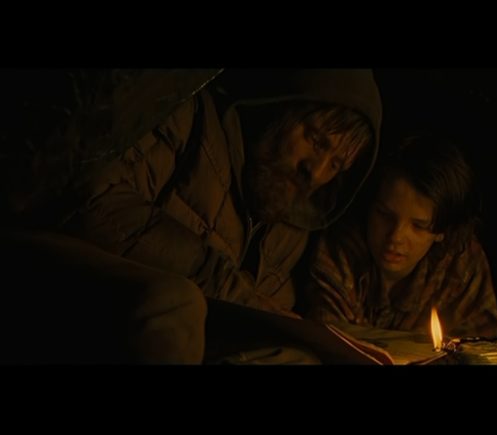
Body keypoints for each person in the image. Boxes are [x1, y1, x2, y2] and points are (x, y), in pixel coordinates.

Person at [0, 69, 382, 363]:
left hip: (206, 338)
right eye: (315, 140)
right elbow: (94, 203)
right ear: (281, 106)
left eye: (336, 165)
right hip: (80, 299)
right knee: (175, 304)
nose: (315, 171)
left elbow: (268, 315)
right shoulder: (190, 121)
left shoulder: (292, 224)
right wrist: (227, 285)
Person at [303, 134, 497, 341]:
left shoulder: (460, 263)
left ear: (442, 231)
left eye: (418, 226)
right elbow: (329, 336)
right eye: (384, 215)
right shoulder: (342, 248)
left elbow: (485, 347)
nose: (395, 237)